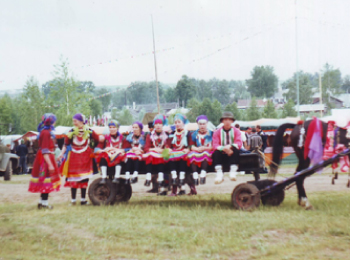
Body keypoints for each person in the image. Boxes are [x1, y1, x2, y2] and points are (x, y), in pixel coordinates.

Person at [59, 113, 103, 205]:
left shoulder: (90, 131)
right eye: (73, 121)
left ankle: (83, 199)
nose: (74, 123)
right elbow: (66, 144)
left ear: (81, 121)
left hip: (85, 157)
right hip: (74, 157)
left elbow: (99, 140)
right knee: (73, 179)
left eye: (75, 121)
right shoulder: (71, 131)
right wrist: (61, 154)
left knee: (84, 178)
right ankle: (73, 200)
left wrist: (96, 149)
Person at [28, 113, 60, 209]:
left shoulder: (45, 132)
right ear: (52, 121)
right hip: (45, 160)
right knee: (46, 180)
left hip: (45, 157)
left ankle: (42, 202)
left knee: (45, 181)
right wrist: (50, 164)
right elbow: (45, 150)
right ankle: (44, 204)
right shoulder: (46, 133)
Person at [143, 115, 170, 196]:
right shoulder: (149, 135)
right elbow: (147, 148)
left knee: (164, 158)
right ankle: (148, 178)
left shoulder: (166, 135)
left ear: (162, 125)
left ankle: (162, 181)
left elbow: (168, 147)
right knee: (149, 155)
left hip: (163, 153)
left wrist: (162, 150)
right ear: (154, 126)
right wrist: (154, 149)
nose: (158, 126)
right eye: (156, 124)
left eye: (160, 124)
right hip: (153, 154)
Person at [212, 111, 242, 184]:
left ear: (232, 121)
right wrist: (224, 148)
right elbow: (215, 145)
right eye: (225, 120)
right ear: (222, 121)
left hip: (232, 153)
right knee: (215, 153)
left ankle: (233, 172)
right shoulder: (217, 132)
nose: (227, 122)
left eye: (229, 120)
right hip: (221, 153)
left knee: (237, 151)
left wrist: (230, 147)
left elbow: (239, 143)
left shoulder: (236, 131)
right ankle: (219, 174)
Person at [96, 120, 127, 184]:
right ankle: (104, 177)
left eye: (114, 127)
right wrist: (104, 150)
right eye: (110, 127)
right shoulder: (105, 138)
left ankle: (117, 177)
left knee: (119, 156)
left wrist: (118, 150)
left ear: (117, 128)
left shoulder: (123, 138)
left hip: (119, 161)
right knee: (103, 155)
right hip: (108, 161)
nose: (112, 129)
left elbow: (128, 148)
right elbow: (97, 149)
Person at [168, 114, 192, 196]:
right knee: (171, 162)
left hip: (184, 156)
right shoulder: (172, 134)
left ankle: (191, 188)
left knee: (184, 165)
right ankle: (174, 190)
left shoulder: (187, 133)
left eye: (179, 122)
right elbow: (169, 144)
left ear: (183, 123)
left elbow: (191, 144)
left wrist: (188, 149)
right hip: (174, 156)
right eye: (175, 122)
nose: (177, 124)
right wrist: (168, 148)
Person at [187, 115, 213, 185]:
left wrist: (205, 148)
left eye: (204, 124)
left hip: (208, 150)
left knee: (205, 154)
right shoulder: (193, 134)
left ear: (207, 123)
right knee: (191, 154)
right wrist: (197, 149)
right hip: (197, 151)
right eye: (200, 124)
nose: (202, 126)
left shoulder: (211, 133)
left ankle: (203, 173)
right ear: (197, 124)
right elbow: (191, 146)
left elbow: (213, 146)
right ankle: (195, 175)